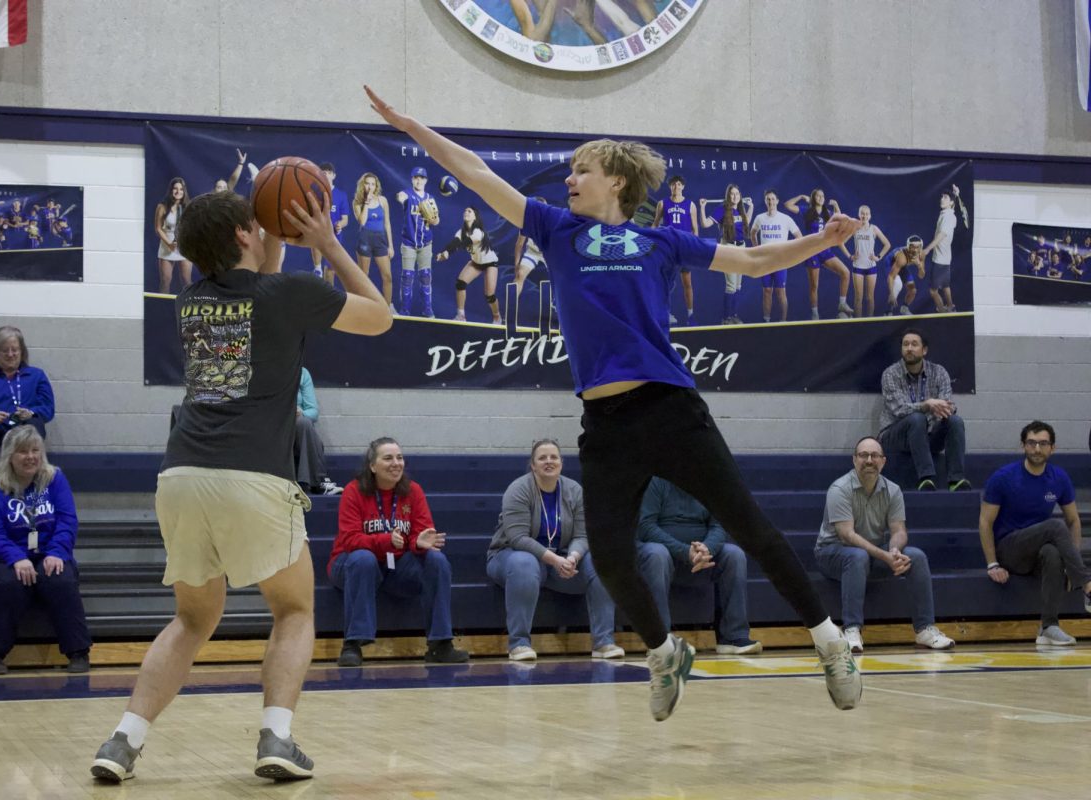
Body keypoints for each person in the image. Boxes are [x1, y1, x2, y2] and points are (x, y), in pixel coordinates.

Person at [365, 85, 862, 723]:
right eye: (571, 170)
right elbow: (477, 172)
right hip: (604, 423)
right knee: (610, 555)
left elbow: (760, 260)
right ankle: (663, 653)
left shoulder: (662, 243)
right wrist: (413, 127)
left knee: (750, 529)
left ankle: (830, 643)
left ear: (617, 183)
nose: (569, 178)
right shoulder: (555, 228)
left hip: (671, 408)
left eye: (582, 170)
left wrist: (823, 239)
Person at [91, 186, 392, 783]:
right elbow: (379, 316)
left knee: (192, 620)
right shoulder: (287, 294)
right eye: (256, 225)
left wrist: (270, 232)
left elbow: (258, 284)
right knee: (294, 608)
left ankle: (123, 741)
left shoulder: (191, 299)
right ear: (242, 237)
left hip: (180, 473)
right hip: (251, 474)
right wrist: (328, 241)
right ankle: (277, 736)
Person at [327, 438, 469, 668]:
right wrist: (386, 541)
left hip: (396, 566)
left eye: (399, 457)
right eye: (388, 458)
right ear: (372, 466)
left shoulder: (413, 491)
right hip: (350, 564)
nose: (396, 463)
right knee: (363, 559)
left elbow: (422, 533)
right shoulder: (354, 491)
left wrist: (419, 543)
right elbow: (350, 540)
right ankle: (352, 644)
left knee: (436, 560)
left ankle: (440, 644)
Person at [814, 436, 955, 653]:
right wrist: (884, 555)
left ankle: (925, 629)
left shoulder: (893, 490)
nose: (869, 460)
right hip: (832, 553)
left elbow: (899, 530)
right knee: (856, 556)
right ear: (854, 460)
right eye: (863, 455)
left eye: (874, 456)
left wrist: (895, 550)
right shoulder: (839, 488)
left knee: (915, 556)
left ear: (883, 461)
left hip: (871, 554)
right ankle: (851, 629)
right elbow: (847, 535)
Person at [486, 439, 623, 661]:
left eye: (554, 457)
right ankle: (519, 644)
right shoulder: (519, 489)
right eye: (542, 458)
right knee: (524, 563)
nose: (548, 461)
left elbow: (582, 535)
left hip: (559, 560)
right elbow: (518, 538)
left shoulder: (574, 490)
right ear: (533, 465)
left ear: (561, 462)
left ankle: (603, 643)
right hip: (510, 557)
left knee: (601, 561)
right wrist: (554, 560)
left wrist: (572, 557)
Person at [0, 426, 92, 675]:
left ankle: (78, 652)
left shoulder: (55, 479)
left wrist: (57, 552)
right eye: (23, 452)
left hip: (48, 552)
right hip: (5, 558)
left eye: (35, 450)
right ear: (9, 457)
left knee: (61, 579)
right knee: (9, 583)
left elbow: (67, 520)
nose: (30, 457)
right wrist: (16, 558)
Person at [979, 421, 1091, 646]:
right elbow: (985, 522)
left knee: (1052, 552)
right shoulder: (1004, 477)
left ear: (1052, 448)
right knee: (1055, 526)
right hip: (1009, 549)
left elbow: (1074, 520)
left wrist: (1071, 557)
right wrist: (992, 564)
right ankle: (1087, 585)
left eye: (1043, 443)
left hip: (1038, 550)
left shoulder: (1058, 477)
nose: (1037, 449)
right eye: (1031, 443)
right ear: (1023, 446)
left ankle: (1048, 627)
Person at [636, 478, 762, 655]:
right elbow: (645, 527)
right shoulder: (656, 482)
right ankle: (661, 641)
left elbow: (719, 525)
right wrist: (685, 551)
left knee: (734, 555)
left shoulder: (708, 483)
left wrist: (707, 549)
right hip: (665, 558)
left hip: (702, 558)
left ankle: (733, 637)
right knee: (657, 554)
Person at [877, 328, 969, 491]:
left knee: (955, 421)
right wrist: (927, 405)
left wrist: (945, 409)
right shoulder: (890, 374)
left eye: (914, 344)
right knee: (916, 418)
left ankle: (956, 480)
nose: (909, 348)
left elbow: (947, 404)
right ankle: (926, 478)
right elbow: (899, 410)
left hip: (927, 435)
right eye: (905, 345)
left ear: (924, 350)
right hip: (895, 436)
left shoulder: (939, 372)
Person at [0, 326, 55, 478]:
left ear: (22, 352)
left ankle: (28, 478)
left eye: (15, 350)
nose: (10, 354)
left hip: (22, 430)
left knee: (36, 424)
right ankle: (0, 478)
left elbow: (48, 408)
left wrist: (31, 413)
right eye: (4, 350)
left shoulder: (37, 375)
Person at [784, 189, 854, 319]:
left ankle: (842, 304)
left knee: (845, 272)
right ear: (813, 198)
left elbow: (841, 221)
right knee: (814, 285)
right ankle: (815, 313)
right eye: (818, 195)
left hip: (825, 251)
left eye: (823, 195)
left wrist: (836, 205)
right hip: (812, 251)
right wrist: (800, 196)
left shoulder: (828, 213)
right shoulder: (807, 211)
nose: (821, 197)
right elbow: (787, 205)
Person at [436, 206, 502, 323]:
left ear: (475, 216)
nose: (466, 212)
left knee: (489, 295)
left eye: (469, 211)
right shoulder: (461, 232)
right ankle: (461, 315)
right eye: (465, 210)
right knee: (460, 284)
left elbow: (464, 242)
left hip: (490, 263)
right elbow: (455, 242)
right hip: (476, 262)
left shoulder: (478, 232)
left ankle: (497, 316)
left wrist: (449, 252)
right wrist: (444, 252)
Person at [699, 184, 752, 324]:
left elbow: (746, 222)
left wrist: (751, 207)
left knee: (738, 286)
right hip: (728, 248)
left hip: (742, 248)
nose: (735, 196)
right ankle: (726, 318)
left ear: (740, 196)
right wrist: (702, 207)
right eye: (732, 194)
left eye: (737, 194)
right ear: (728, 196)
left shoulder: (741, 210)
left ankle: (734, 315)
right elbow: (705, 224)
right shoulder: (722, 210)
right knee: (731, 285)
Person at [748, 189, 801, 323]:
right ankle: (766, 321)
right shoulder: (760, 218)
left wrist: (789, 252)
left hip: (780, 261)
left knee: (780, 292)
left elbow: (799, 237)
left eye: (773, 199)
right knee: (766, 291)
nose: (771, 201)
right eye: (768, 199)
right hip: (765, 261)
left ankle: (783, 321)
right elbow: (752, 233)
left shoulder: (785, 218)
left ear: (777, 201)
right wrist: (756, 248)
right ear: (765, 201)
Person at [652, 175, 698, 326]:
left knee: (687, 283)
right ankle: (666, 312)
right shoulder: (662, 203)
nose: (676, 187)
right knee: (666, 283)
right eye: (673, 184)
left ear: (683, 187)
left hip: (684, 247)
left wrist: (694, 247)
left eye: (679, 184)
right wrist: (653, 242)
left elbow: (695, 230)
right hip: (669, 249)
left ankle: (691, 315)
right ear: (670, 186)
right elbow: (655, 225)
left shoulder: (690, 205)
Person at [396, 166, 438, 317]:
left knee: (425, 276)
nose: (419, 180)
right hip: (408, 243)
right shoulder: (407, 194)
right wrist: (401, 198)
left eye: (421, 178)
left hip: (426, 243)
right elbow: (400, 197)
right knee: (407, 276)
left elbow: (436, 221)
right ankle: (405, 310)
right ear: (412, 179)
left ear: (426, 180)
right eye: (416, 177)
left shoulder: (430, 198)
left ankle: (427, 309)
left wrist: (432, 218)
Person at [293, 367, 342, 496]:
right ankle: (320, 480)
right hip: (275, 427)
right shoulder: (265, 371)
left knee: (304, 422)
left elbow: (313, 412)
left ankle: (306, 484)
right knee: (305, 426)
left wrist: (300, 412)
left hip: (297, 429)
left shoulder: (302, 373)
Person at [921, 185, 969, 313]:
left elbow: (941, 236)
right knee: (946, 286)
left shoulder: (948, 217)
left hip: (940, 260)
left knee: (933, 291)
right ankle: (951, 307)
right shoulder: (949, 214)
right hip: (945, 258)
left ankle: (942, 311)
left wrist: (927, 249)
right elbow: (955, 207)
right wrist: (956, 195)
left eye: (945, 197)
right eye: (942, 197)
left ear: (951, 202)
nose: (942, 199)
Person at [353, 172, 396, 310]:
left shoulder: (382, 200)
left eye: (373, 184)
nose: (370, 187)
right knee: (364, 277)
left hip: (381, 241)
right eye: (367, 183)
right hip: (365, 239)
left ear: (376, 186)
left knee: (387, 276)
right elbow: (362, 222)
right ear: (362, 185)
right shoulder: (357, 202)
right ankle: (363, 307)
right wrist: (366, 202)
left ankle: (388, 307)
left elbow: (387, 223)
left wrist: (391, 246)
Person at [838, 205, 891, 318]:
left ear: (870, 216)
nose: (864, 216)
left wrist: (878, 257)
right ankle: (858, 322)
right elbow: (841, 242)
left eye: (867, 214)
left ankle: (869, 322)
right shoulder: (855, 228)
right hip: (858, 267)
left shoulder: (874, 229)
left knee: (870, 297)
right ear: (859, 215)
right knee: (858, 298)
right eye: (862, 213)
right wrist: (850, 256)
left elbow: (887, 244)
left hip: (871, 266)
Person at [310, 162, 349, 284]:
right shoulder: (314, 193)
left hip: (334, 235)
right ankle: (317, 269)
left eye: (328, 172)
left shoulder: (341, 195)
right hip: (319, 231)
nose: (326, 175)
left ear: (334, 176)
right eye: (323, 173)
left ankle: (328, 298)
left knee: (330, 272)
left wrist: (340, 224)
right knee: (315, 237)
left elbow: (345, 219)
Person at [155, 177, 190, 294]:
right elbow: (158, 228)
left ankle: (189, 309)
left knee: (187, 281)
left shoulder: (187, 207)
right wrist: (169, 244)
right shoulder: (162, 206)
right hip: (167, 245)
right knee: (165, 281)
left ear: (184, 191)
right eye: (175, 188)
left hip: (184, 246)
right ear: (171, 190)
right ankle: (163, 309)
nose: (178, 191)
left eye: (181, 189)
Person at [885, 236, 925, 316]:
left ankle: (904, 308)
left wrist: (920, 267)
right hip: (891, 262)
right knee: (898, 284)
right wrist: (892, 294)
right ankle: (888, 311)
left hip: (902, 265)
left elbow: (921, 276)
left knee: (913, 290)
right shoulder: (902, 257)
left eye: (918, 247)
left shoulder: (921, 254)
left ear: (921, 247)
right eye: (912, 247)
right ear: (908, 247)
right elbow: (891, 277)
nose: (915, 250)